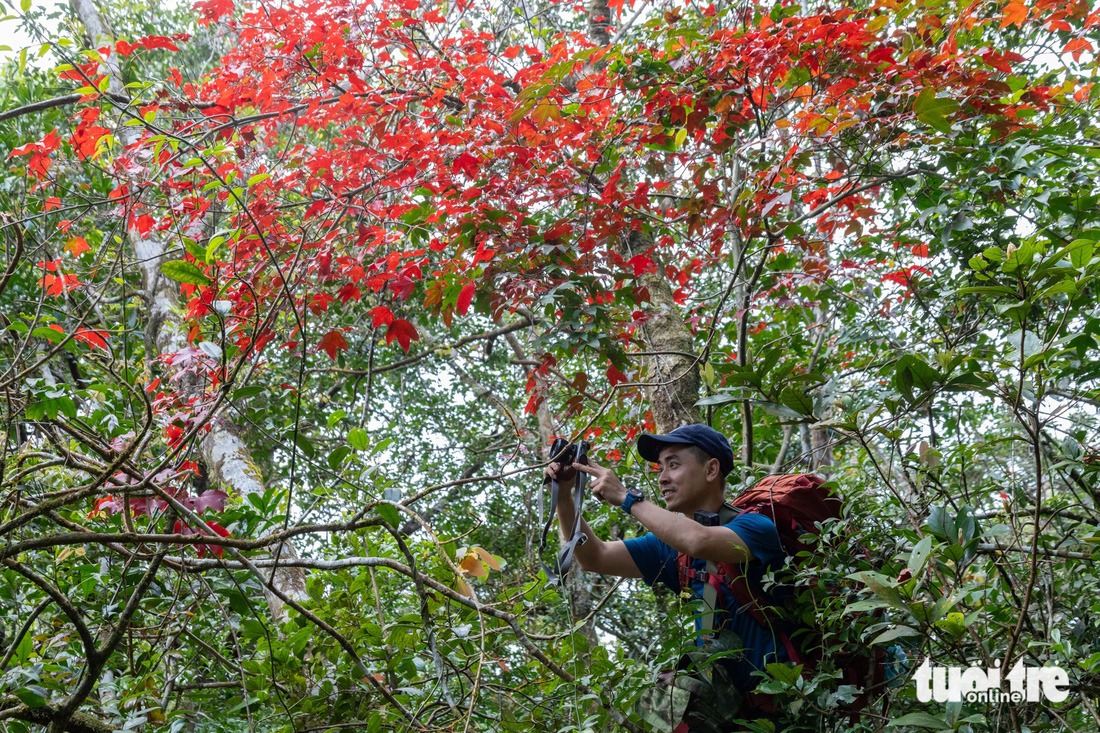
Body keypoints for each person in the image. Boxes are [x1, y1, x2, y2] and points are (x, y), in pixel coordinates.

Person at [546, 424, 789, 731]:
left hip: (788, 712)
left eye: (674, 465)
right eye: (661, 468)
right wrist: (566, 496)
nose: (662, 478)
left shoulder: (756, 527)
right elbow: (595, 557)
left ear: (712, 469)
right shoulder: (670, 548)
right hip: (729, 718)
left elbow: (698, 540)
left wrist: (626, 497)